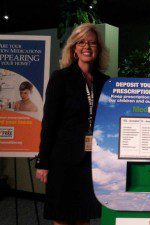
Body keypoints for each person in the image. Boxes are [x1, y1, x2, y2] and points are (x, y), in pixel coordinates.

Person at [35, 23, 110, 225]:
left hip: (91, 160)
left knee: (83, 216)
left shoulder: (105, 82)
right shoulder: (60, 78)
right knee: (61, 217)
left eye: (92, 42)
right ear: (74, 48)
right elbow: (49, 122)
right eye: (81, 42)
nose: (87, 46)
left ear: (98, 48)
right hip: (62, 160)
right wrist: (43, 162)